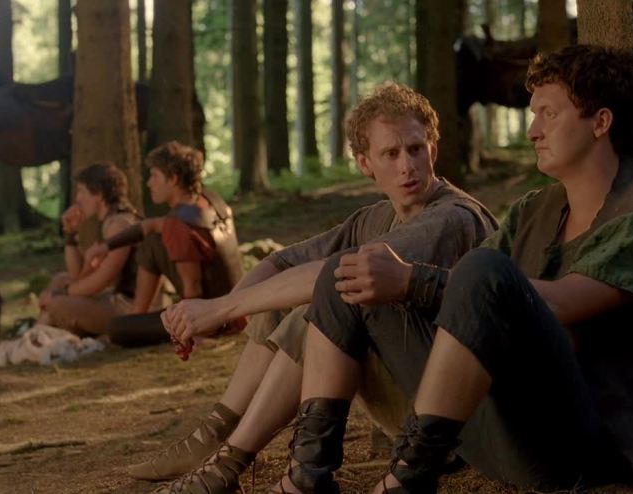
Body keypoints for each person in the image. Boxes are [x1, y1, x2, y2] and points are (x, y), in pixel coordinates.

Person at [257, 44, 633, 494]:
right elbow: (470, 299)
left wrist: (413, 281)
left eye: (548, 114)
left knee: (482, 269)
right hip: (498, 430)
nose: (533, 131)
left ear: (601, 122)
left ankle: (409, 479)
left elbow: (557, 302)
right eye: (534, 115)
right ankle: (307, 476)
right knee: (349, 271)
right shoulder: (534, 210)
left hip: (581, 450)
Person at [139, 83, 498, 493]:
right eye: (391, 154)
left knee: (317, 307)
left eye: (416, 149)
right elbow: (282, 263)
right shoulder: (375, 217)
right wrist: (228, 308)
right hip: (413, 393)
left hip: (457, 418)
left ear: (432, 150)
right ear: (365, 163)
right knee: (287, 295)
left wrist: (219, 309)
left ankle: (231, 463)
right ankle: (217, 434)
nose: (407, 166)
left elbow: (335, 275)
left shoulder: (452, 217)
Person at [88, 141, 244, 348]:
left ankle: (136, 320)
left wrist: (193, 334)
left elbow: (193, 285)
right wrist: (106, 247)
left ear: (173, 179)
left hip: (214, 320)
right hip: (237, 308)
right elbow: (150, 226)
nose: (149, 183)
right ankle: (138, 315)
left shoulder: (178, 225)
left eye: (154, 176)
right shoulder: (210, 200)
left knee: (117, 329)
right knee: (152, 242)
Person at [39, 162, 140, 336]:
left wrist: (59, 295)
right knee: (61, 279)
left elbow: (100, 281)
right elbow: (78, 274)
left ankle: (34, 338)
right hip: (116, 299)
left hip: (131, 306)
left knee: (56, 304)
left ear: (99, 194)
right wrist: (70, 233)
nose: (77, 199)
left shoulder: (119, 224)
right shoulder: (108, 222)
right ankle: (37, 337)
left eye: (81, 192)